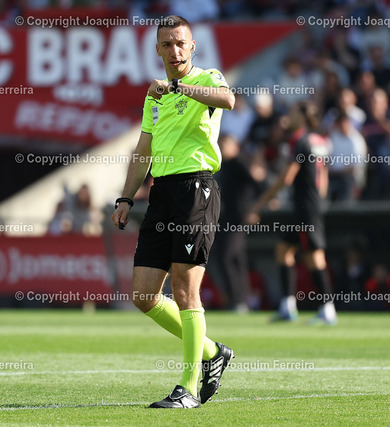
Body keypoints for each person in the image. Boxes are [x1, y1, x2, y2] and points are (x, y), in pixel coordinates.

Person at [111, 15, 235, 409]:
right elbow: (143, 150)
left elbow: (228, 100)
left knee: (185, 290)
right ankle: (213, 352)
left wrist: (179, 87)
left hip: (196, 188)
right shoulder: (154, 96)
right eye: (167, 44)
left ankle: (189, 388)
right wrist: (126, 198)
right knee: (143, 295)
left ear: (192, 46)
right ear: (158, 50)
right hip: (161, 193)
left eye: (181, 43)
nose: (175, 50)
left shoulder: (208, 78)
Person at [247, 101, 337, 325]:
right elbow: (323, 177)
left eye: (293, 112)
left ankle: (328, 309)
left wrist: (259, 204)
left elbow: (286, 178)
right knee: (283, 250)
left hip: (305, 208)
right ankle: (287, 306)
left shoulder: (299, 139)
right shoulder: (319, 140)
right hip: (311, 205)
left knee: (314, 257)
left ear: (303, 116)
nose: (289, 116)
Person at [212, 135, 259, 312]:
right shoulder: (223, 165)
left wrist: (253, 209)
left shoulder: (239, 163)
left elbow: (256, 184)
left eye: (226, 144)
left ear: (235, 146)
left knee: (226, 255)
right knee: (236, 257)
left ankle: (239, 299)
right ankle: (240, 299)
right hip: (226, 217)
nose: (223, 148)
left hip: (238, 218)